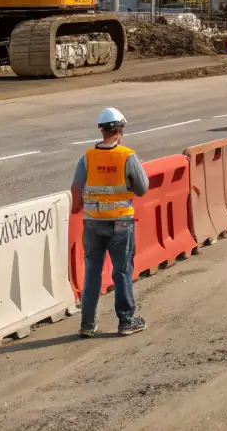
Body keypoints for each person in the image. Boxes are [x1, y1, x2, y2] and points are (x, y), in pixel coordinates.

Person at [71, 106, 149, 338]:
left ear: (102, 130)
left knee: (92, 271)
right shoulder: (127, 156)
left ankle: (87, 324)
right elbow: (142, 188)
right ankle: (126, 321)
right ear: (120, 131)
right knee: (122, 270)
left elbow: (76, 189)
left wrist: (78, 207)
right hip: (120, 222)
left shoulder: (88, 157)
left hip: (93, 223)